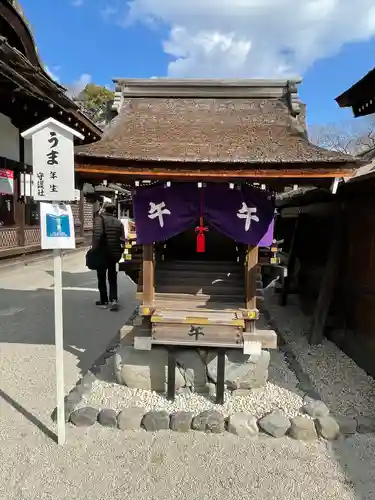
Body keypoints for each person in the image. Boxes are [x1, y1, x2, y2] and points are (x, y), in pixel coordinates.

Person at [92, 202, 125, 311]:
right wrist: (119, 252)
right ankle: (114, 299)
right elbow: (122, 240)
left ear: (104, 209)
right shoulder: (119, 223)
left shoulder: (99, 220)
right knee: (112, 277)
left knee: (101, 277)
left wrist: (94, 251)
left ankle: (104, 300)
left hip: (102, 253)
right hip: (114, 254)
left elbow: (97, 236)